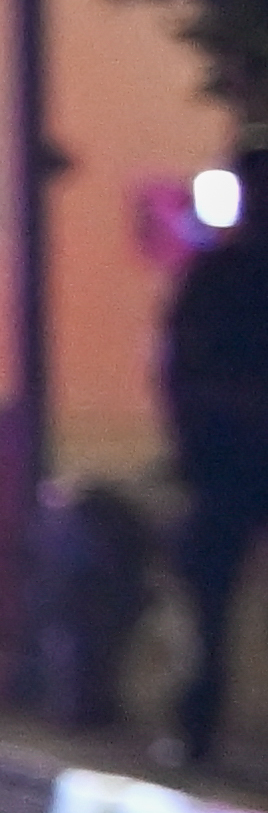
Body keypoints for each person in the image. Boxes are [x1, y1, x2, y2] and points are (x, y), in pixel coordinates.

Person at [166, 205, 268, 773]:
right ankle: (198, 724)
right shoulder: (219, 276)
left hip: (224, 464)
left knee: (209, 610)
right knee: (207, 610)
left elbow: (180, 369)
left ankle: (199, 726)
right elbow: (182, 368)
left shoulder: (218, 275)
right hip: (226, 464)